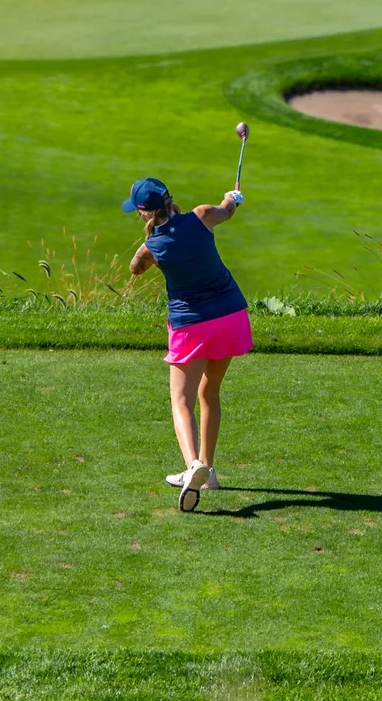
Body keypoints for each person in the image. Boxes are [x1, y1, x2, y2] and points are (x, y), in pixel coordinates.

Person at [124, 175, 250, 511]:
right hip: (231, 316)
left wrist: (147, 245)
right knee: (209, 393)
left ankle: (193, 464)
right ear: (170, 199)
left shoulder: (153, 246)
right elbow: (227, 209)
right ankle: (207, 473)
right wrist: (233, 197)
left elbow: (135, 269)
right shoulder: (202, 215)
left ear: (143, 214)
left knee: (181, 400)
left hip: (192, 326)